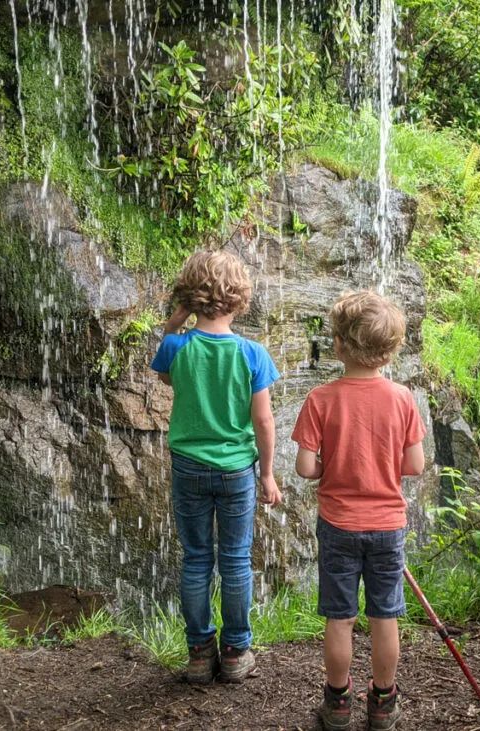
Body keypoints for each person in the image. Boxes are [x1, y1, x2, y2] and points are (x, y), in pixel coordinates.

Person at [291, 290, 426, 731]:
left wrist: (335, 463)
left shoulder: (320, 399)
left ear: (337, 345)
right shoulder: (403, 399)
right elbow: (415, 465)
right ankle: (383, 702)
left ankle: (339, 703)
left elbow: (306, 467)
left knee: (340, 617)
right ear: (390, 351)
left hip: (338, 524)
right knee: (384, 615)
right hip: (388, 526)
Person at [151, 249, 283, 684]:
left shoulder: (177, 347)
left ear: (189, 298)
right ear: (240, 298)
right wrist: (266, 473)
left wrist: (176, 318)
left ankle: (198, 652)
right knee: (236, 561)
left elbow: (166, 375)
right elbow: (263, 420)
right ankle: (235, 652)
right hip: (236, 472)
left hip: (188, 467)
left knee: (195, 559)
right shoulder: (252, 354)